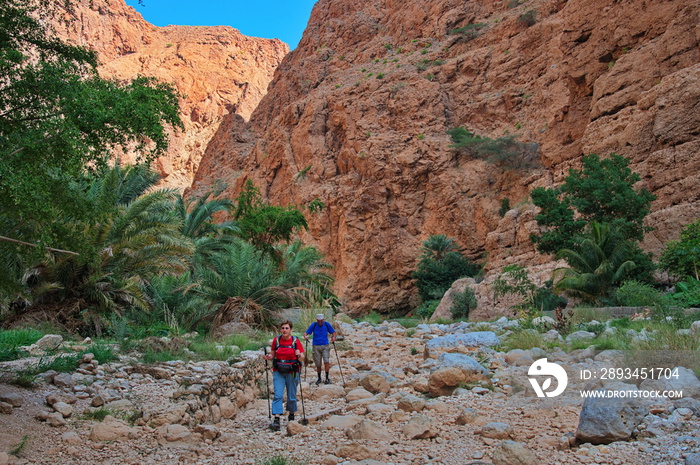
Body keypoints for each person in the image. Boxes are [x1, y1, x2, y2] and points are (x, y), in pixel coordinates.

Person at [264, 320, 303, 431]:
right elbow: (273, 354)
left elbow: (302, 357)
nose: (284, 330)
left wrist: (299, 354)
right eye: (283, 328)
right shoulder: (276, 341)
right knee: (278, 394)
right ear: (280, 329)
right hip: (278, 370)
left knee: (291, 395)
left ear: (290, 330)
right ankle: (276, 419)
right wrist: (269, 357)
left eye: (287, 328)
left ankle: (291, 415)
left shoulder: (295, 341)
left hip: (293, 371)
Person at [304, 313, 336, 385]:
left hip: (325, 345)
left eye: (321, 321)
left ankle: (327, 378)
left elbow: (333, 332)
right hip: (316, 345)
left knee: (326, 361)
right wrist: (306, 336)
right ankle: (319, 378)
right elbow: (306, 332)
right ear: (317, 320)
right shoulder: (314, 325)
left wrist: (333, 337)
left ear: (323, 320)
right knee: (318, 363)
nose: (320, 322)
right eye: (319, 321)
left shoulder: (327, 324)